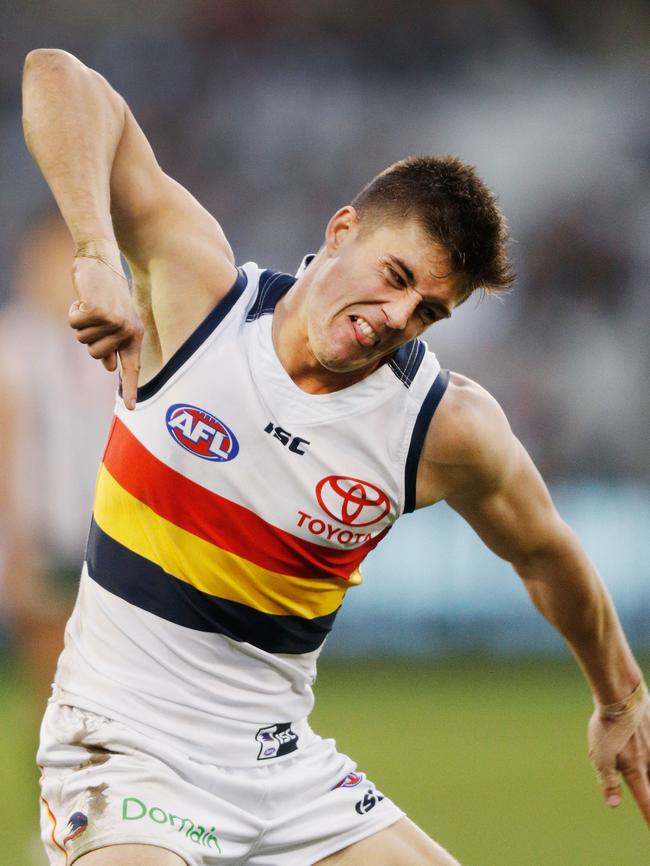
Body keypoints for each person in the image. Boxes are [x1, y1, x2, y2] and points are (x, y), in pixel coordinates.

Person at [22, 48, 649, 866]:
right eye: (394, 276)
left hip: (283, 772)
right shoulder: (196, 298)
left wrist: (620, 699)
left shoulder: (439, 425)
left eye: (428, 310)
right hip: (122, 748)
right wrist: (98, 255)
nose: (395, 316)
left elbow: (545, 552)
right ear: (342, 228)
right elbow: (57, 77)